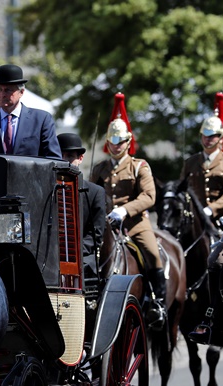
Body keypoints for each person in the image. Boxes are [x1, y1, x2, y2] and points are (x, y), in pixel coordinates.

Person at [90, 93, 165, 326]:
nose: (115, 146)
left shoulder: (139, 166)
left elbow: (149, 196)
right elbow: (92, 194)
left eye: (120, 142)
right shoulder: (100, 168)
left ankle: (158, 300)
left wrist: (124, 210)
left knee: (152, 252)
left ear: (128, 141)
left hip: (134, 224)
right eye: (112, 142)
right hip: (106, 225)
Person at [0, 64, 61, 159]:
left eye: (8, 90)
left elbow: (53, 159)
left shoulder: (41, 120)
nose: (2, 94)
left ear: (21, 92)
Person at [57, 132, 106, 283]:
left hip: (82, 258)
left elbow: (95, 236)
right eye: (61, 155)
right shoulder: (45, 190)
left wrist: (70, 252)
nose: (65, 161)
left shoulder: (95, 192)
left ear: (80, 158)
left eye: (70, 156)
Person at [181, 94, 223, 225]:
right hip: (194, 219)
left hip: (221, 219)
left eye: (212, 136)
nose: (208, 139)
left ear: (220, 137)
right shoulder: (190, 162)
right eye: (205, 135)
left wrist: (211, 209)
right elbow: (182, 189)